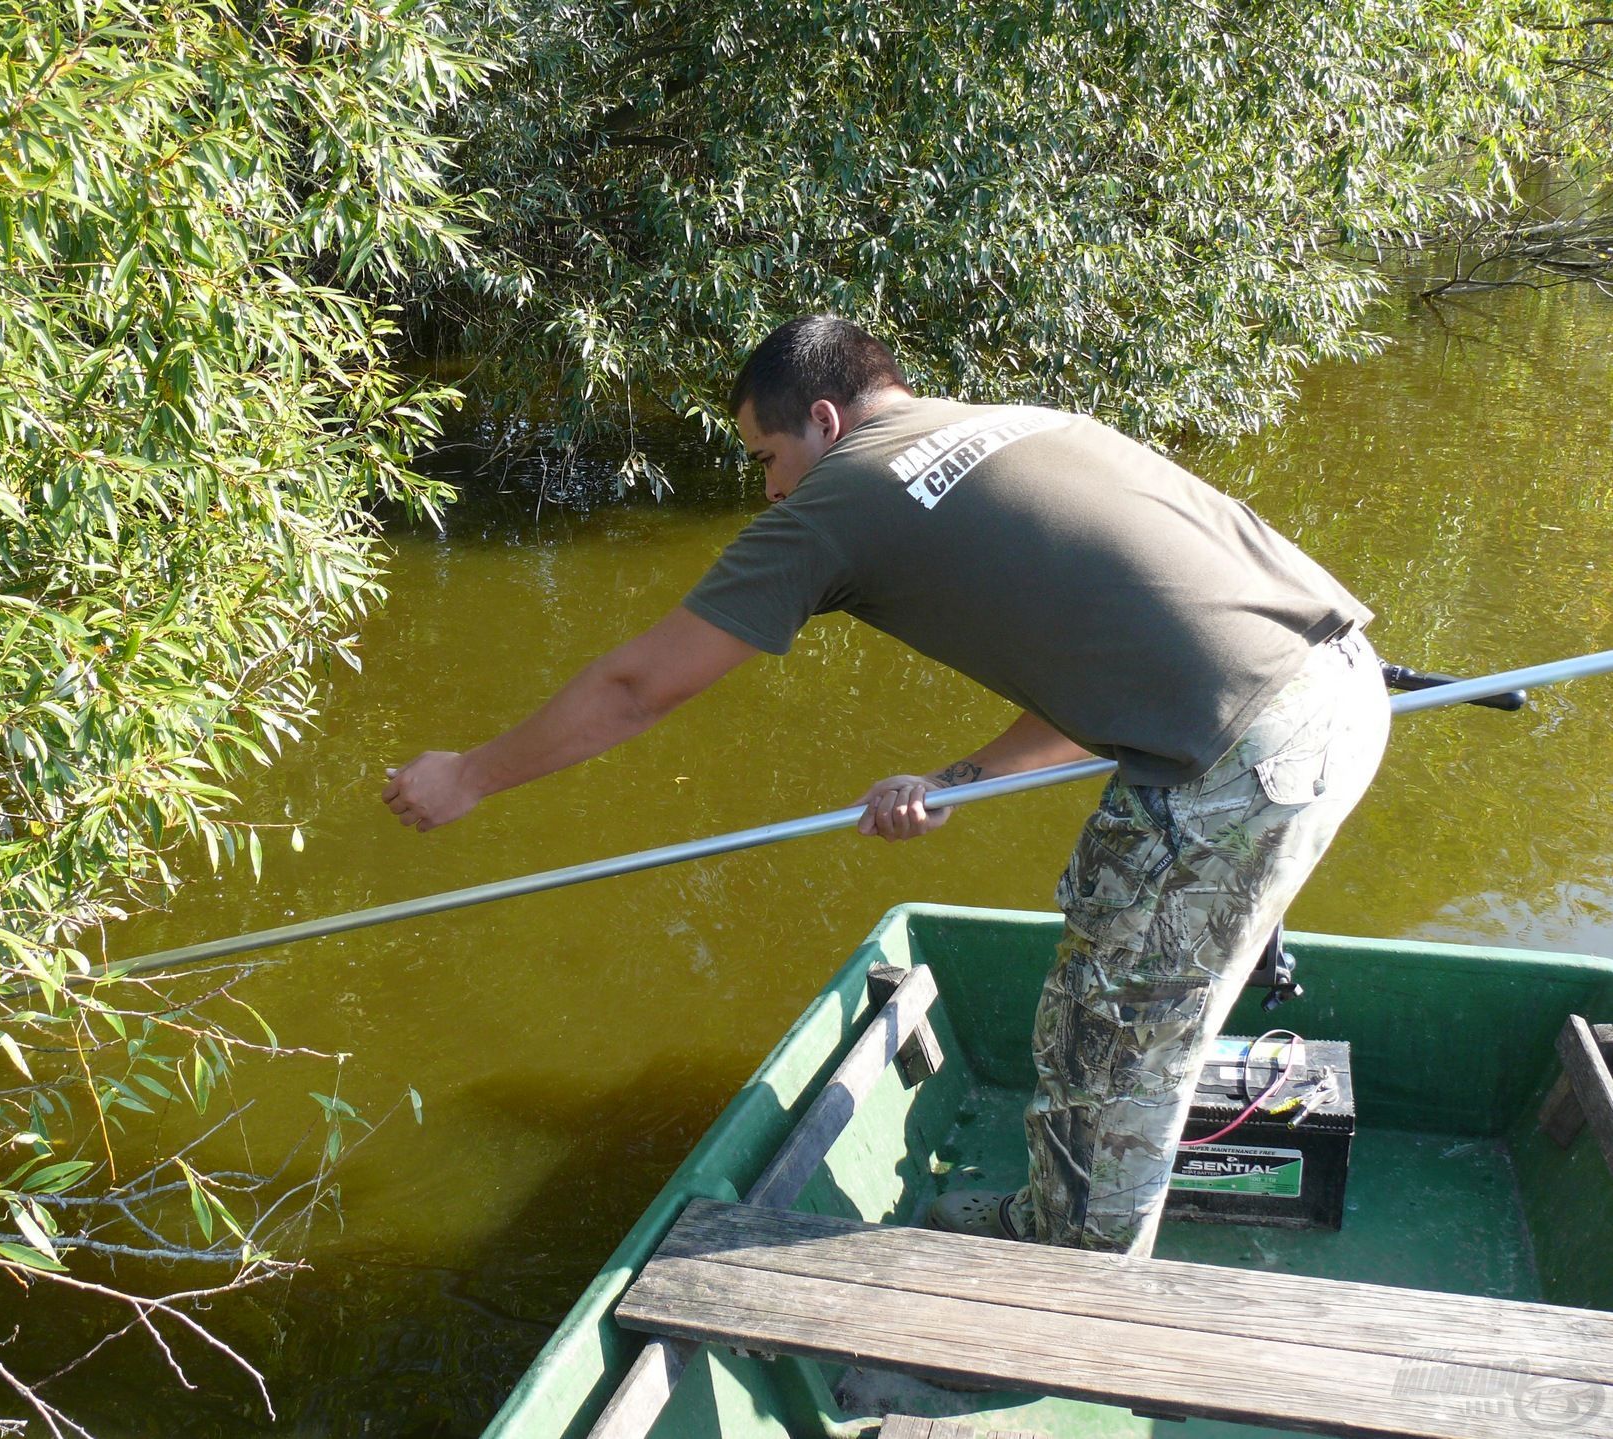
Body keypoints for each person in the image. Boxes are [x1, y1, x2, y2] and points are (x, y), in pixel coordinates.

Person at [381, 314, 1389, 1258]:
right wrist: (958, 777)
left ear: (822, 420)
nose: (771, 490)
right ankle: (1049, 1217)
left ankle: (1058, 1299)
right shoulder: (1017, 421)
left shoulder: (843, 492)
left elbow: (638, 686)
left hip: (1241, 758)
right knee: (1097, 996)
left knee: (1117, 1049)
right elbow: (1111, 662)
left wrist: (469, 776)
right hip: (1332, 693)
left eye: (765, 459)